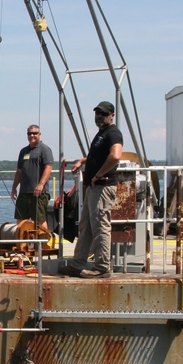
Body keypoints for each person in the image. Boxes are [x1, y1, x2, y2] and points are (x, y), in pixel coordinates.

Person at [59, 101, 123, 278]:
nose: (99, 116)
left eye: (103, 114)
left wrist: (98, 175)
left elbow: (115, 156)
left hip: (102, 187)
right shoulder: (102, 133)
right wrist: (83, 161)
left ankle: (102, 267)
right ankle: (78, 264)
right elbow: (98, 154)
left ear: (112, 115)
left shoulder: (113, 133)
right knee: (85, 226)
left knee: (100, 227)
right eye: (97, 113)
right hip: (93, 189)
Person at [11, 124, 54, 233]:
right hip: (24, 192)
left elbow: (48, 168)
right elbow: (19, 171)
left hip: (39, 193)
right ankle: (23, 244)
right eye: (30, 133)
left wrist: (41, 184)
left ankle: (43, 244)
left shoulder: (44, 149)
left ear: (39, 134)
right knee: (21, 220)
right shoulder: (23, 151)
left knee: (39, 219)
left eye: (35, 133)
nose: (32, 135)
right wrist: (14, 188)